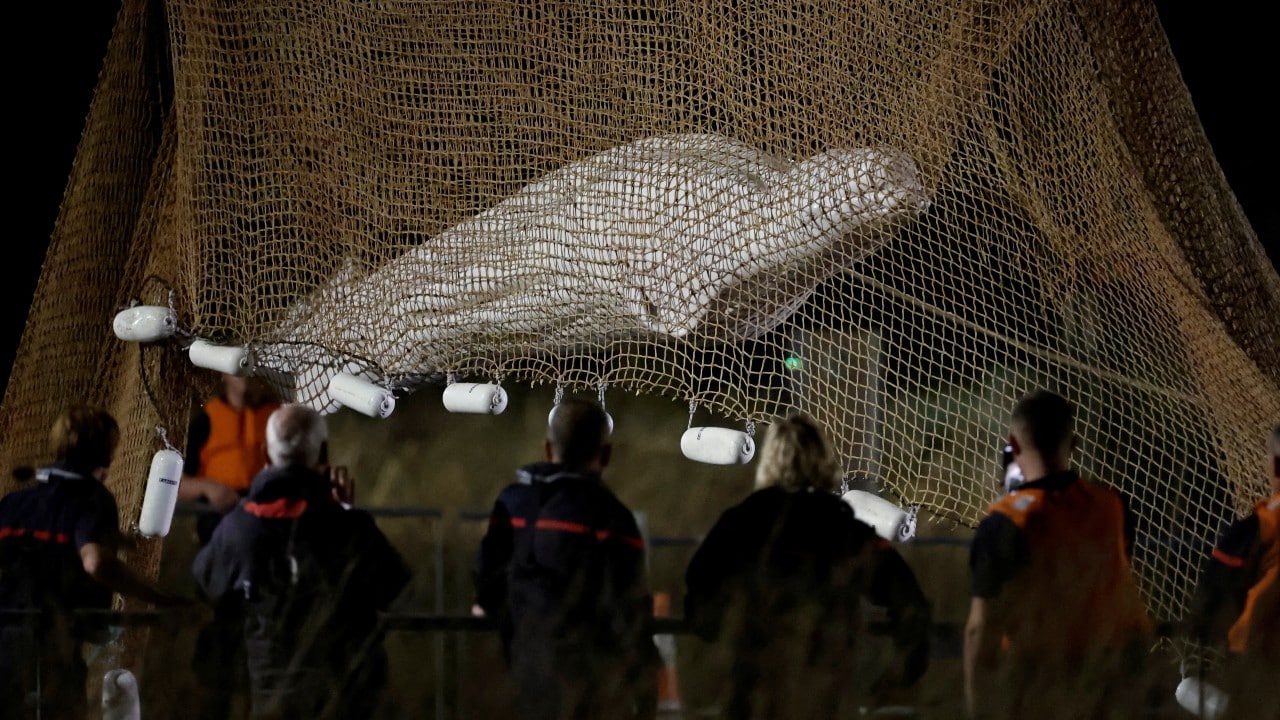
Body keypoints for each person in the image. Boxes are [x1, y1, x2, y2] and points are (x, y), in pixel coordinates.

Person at [683, 414, 931, 720]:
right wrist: (900, 672)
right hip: (824, 690)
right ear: (822, 461)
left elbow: (698, 589)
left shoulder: (740, 523)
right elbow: (909, 601)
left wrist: (717, 634)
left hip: (753, 687)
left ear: (770, 459)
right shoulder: (843, 529)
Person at [192, 403, 408, 720]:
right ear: (323, 454)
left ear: (266, 455)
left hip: (272, 700)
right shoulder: (350, 527)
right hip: (344, 695)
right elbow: (397, 590)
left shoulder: (240, 527)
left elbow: (206, 584)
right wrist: (347, 512)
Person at [963, 390, 1153, 720]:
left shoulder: (1007, 522)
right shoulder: (1113, 506)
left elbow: (981, 627)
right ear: (1073, 443)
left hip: (1041, 678)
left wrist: (977, 706)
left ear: (1014, 445)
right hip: (1115, 675)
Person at [473, 398, 658, 720]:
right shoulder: (612, 518)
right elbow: (631, 610)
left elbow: (487, 584)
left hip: (523, 676)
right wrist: (645, 691)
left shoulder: (512, 504)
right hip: (593, 686)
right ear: (606, 455)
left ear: (548, 449)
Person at [0, 404, 188, 720]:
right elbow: (96, 562)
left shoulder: (16, 501)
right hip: (49, 645)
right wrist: (156, 596)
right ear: (108, 455)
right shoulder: (93, 500)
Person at [1186, 424, 1279, 720]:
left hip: (1261, 672)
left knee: (1186, 688)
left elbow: (1207, 607)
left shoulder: (1253, 530)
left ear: (1274, 465)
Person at [179, 372, 282, 540]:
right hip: (222, 520)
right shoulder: (206, 422)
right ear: (223, 374)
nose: (246, 373)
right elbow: (176, 484)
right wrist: (207, 487)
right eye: (237, 368)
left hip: (272, 517)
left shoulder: (279, 417)